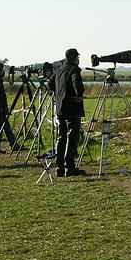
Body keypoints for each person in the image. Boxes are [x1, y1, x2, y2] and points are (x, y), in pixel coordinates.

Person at [48, 48, 86, 177]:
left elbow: (50, 84)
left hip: (60, 109)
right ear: (76, 58)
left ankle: (60, 167)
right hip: (72, 108)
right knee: (72, 137)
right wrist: (79, 95)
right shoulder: (74, 70)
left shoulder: (59, 70)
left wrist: (59, 94)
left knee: (61, 137)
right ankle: (69, 167)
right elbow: (77, 83)